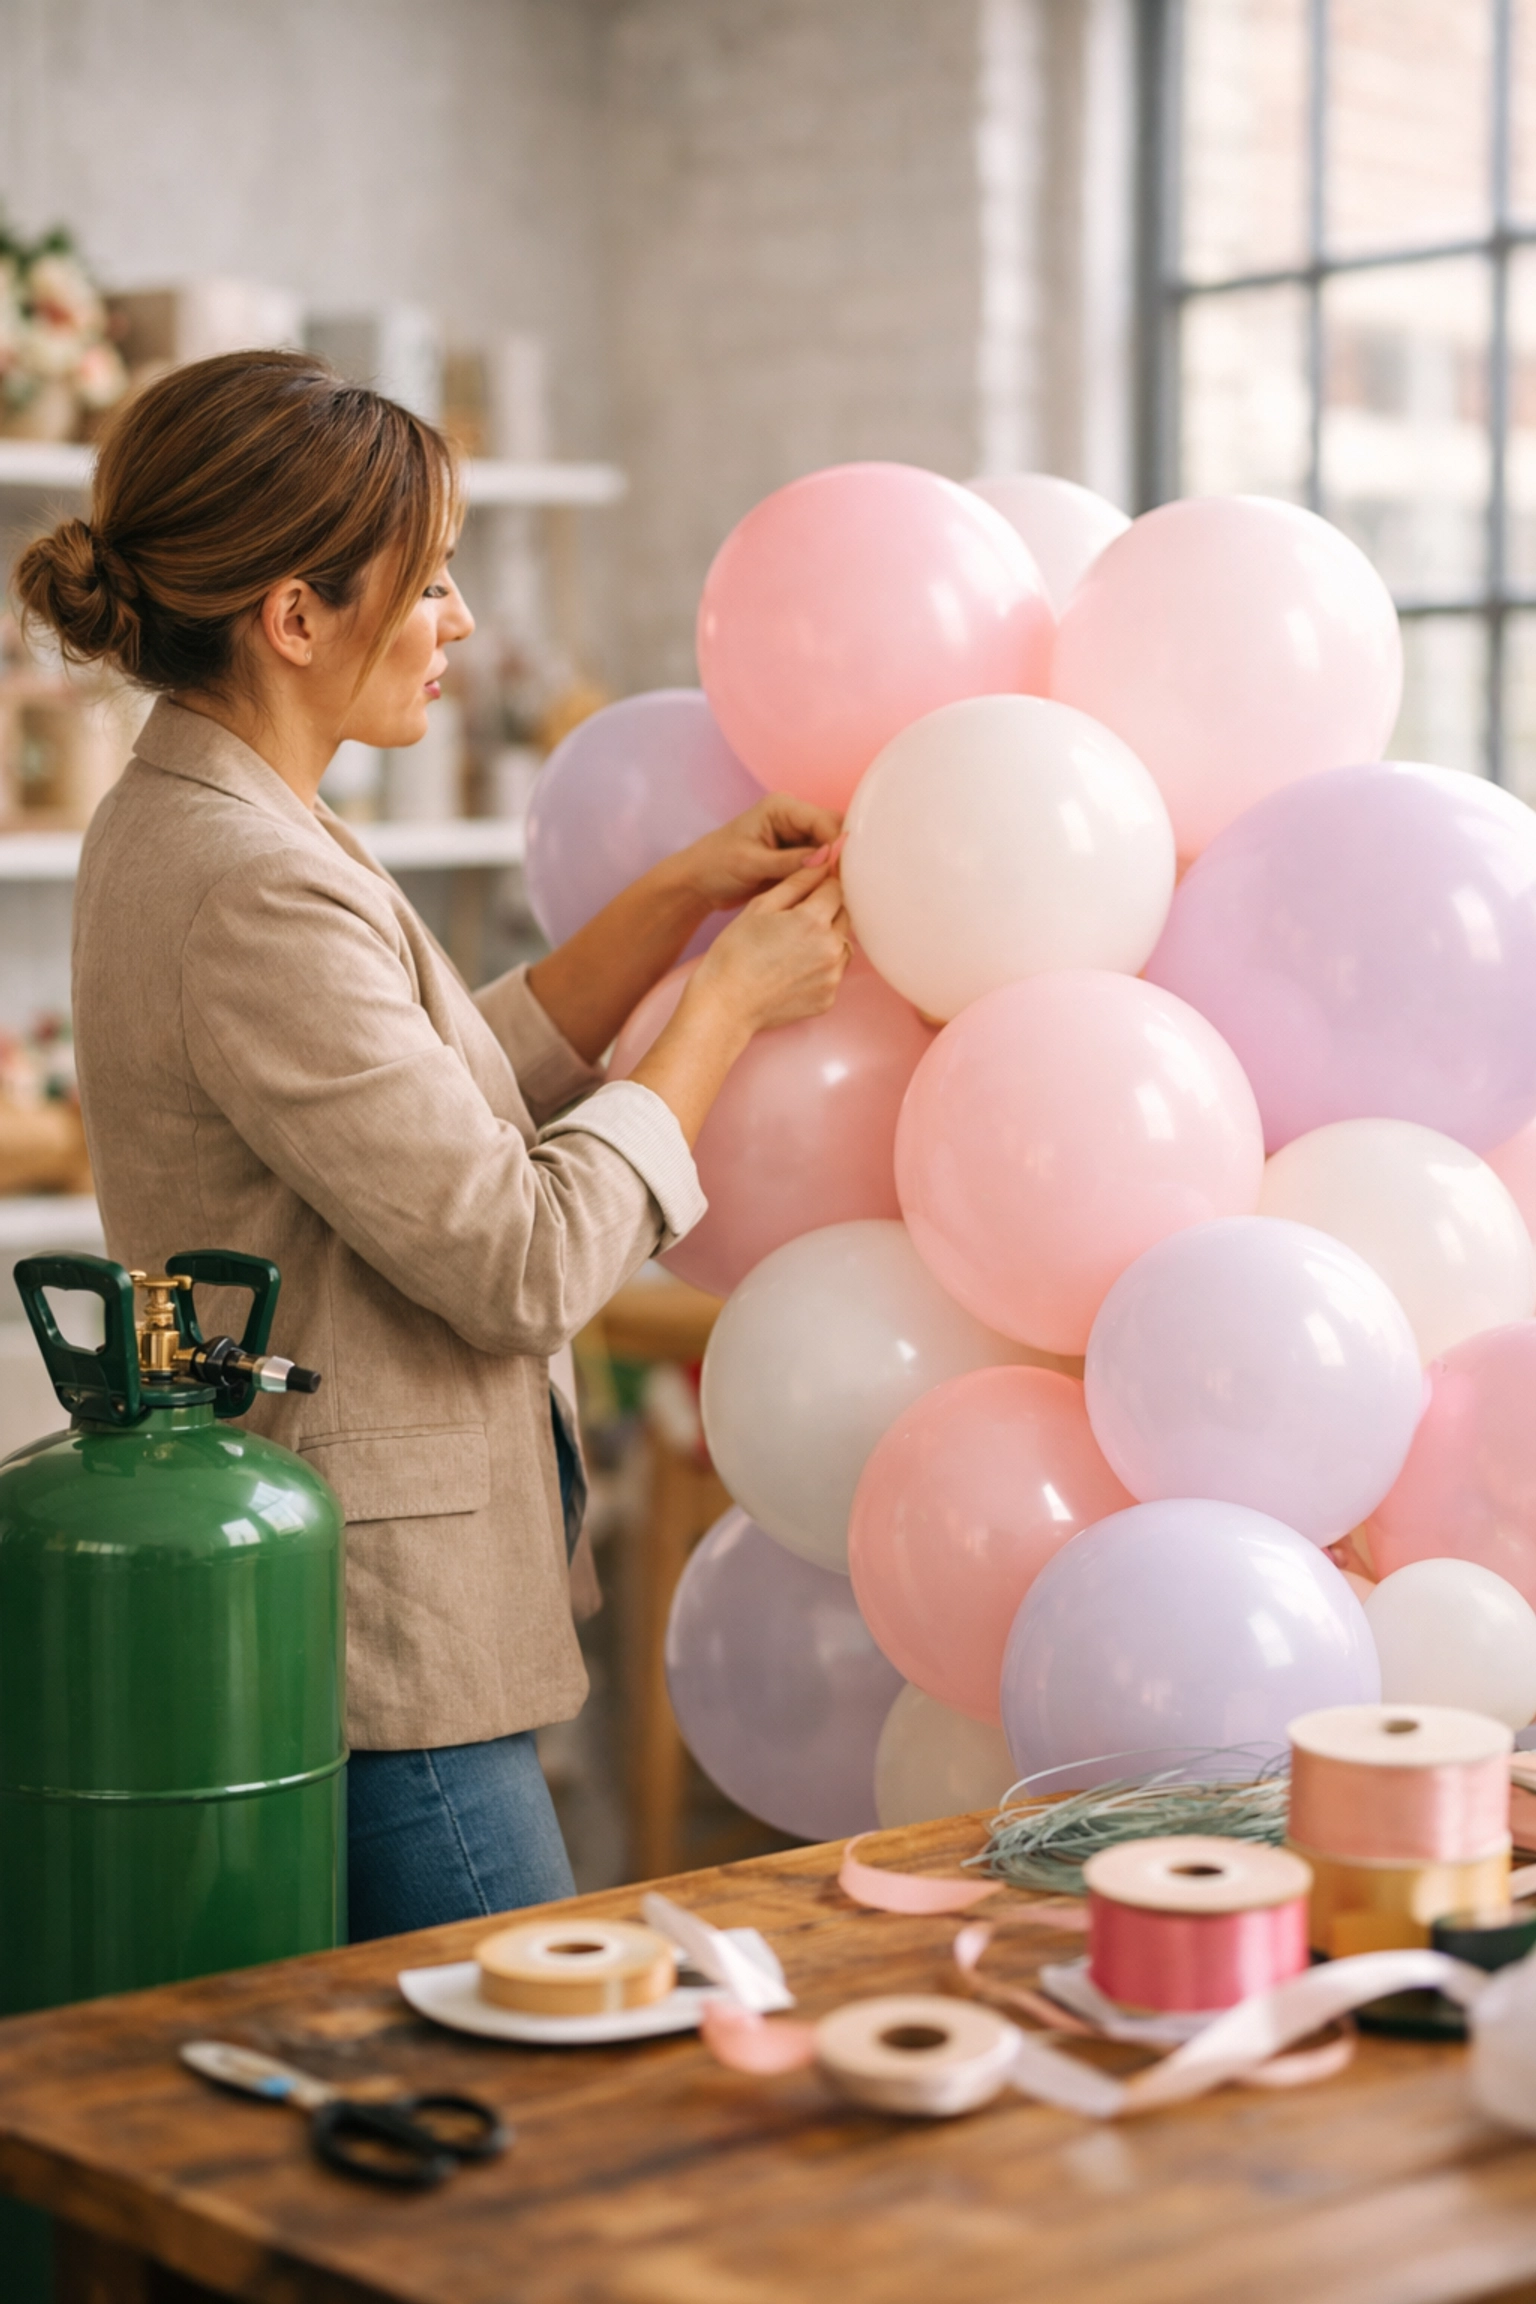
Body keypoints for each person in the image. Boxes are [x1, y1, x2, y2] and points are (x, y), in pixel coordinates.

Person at [15, 350, 850, 1937]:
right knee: (520, 2103)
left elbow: (427, 1092)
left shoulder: (215, 817)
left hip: (355, 1618)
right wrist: (724, 1011)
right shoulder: (248, 875)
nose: (462, 623)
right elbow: (516, 1259)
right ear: (297, 616)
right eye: (435, 581)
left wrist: (678, 905)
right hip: (388, 1661)